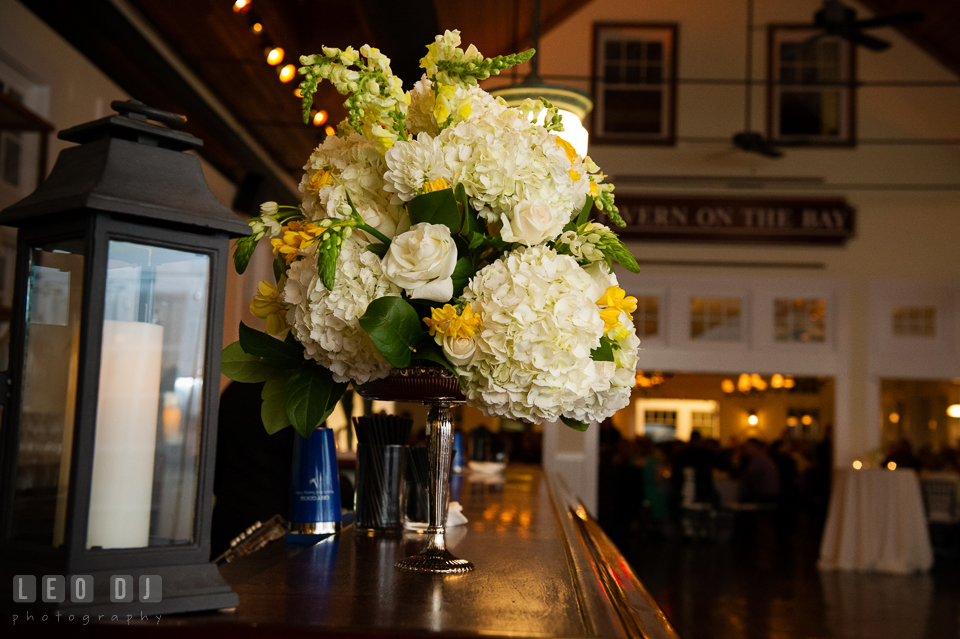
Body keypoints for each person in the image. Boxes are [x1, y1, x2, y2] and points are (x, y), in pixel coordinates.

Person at [739, 438, 780, 504]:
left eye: (747, 446)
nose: (745, 449)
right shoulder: (763, 456)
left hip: (765, 495)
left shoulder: (757, 458)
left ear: (753, 446)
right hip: (771, 493)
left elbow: (751, 476)